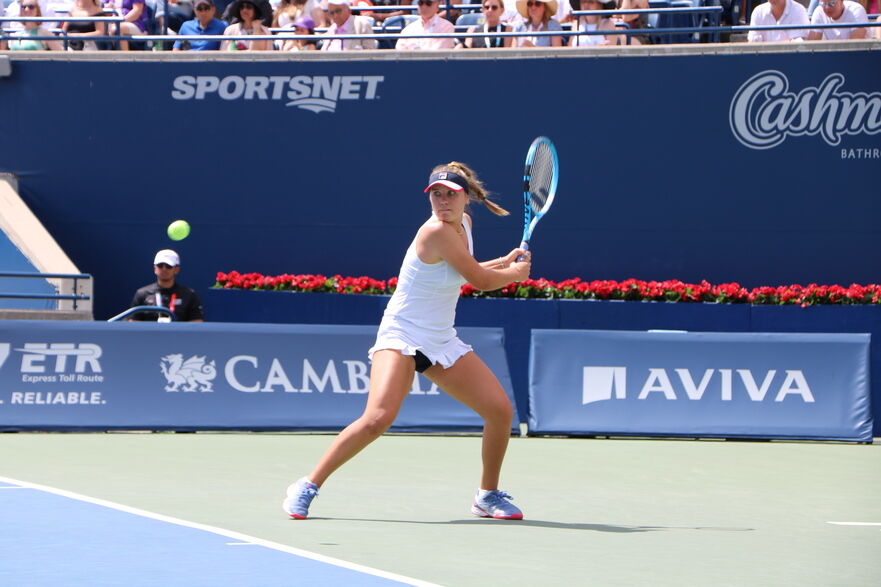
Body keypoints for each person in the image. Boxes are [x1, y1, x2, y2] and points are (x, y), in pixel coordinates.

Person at [282, 162, 531, 521]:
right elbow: (478, 281)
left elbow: (460, 270)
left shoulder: (463, 226)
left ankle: (487, 495)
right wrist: (515, 274)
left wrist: (503, 263)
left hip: (440, 339)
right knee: (377, 418)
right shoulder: (436, 232)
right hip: (402, 334)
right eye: (436, 195)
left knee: (499, 410)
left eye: (450, 194)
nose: (442, 201)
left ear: (465, 199)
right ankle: (307, 485)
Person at [130, 249, 205, 322]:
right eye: (160, 265)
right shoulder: (142, 294)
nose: (164, 269)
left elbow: (196, 323)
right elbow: (133, 324)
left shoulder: (189, 294)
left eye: (168, 266)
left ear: (176, 269)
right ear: (154, 269)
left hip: (178, 334)